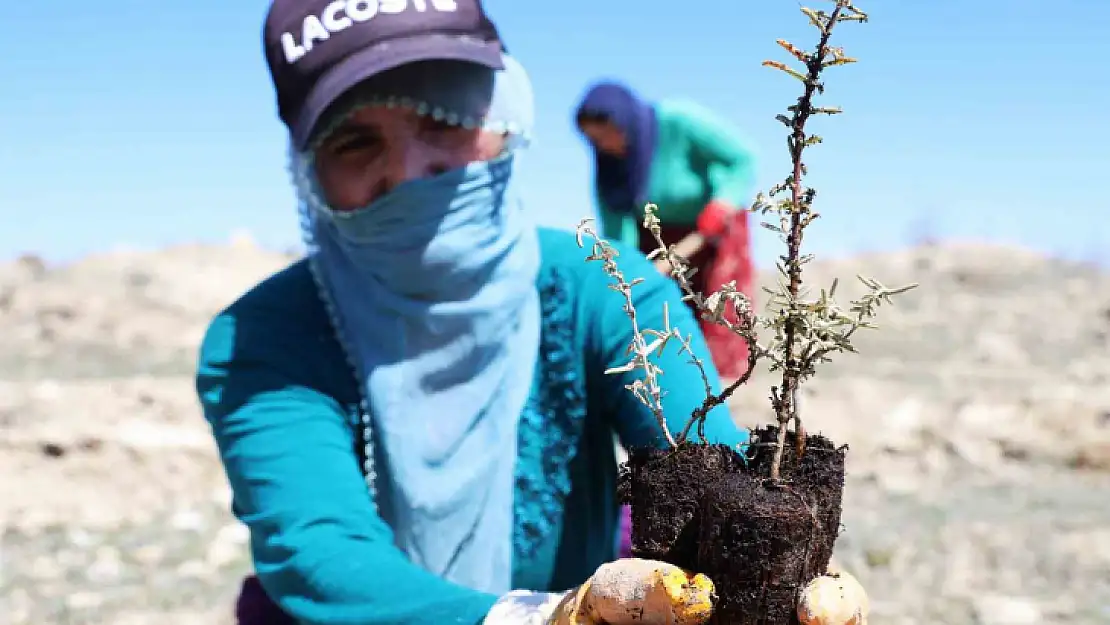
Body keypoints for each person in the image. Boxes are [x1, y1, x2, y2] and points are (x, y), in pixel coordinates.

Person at [196, 1, 869, 624]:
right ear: (309, 172)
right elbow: (322, 558)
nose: (411, 169)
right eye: (354, 143)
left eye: (445, 115)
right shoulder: (262, 337)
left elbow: (703, 469)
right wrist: (540, 617)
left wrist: (772, 570)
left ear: (505, 113)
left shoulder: (604, 290)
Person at [574, 82, 759, 379]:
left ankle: (726, 389)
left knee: (719, 312)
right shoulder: (611, 172)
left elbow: (741, 158)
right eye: (594, 140)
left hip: (711, 228)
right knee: (662, 317)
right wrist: (631, 272)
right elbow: (619, 233)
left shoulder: (678, 121)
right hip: (659, 240)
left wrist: (723, 203)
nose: (605, 144)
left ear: (625, 120)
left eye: (607, 132)